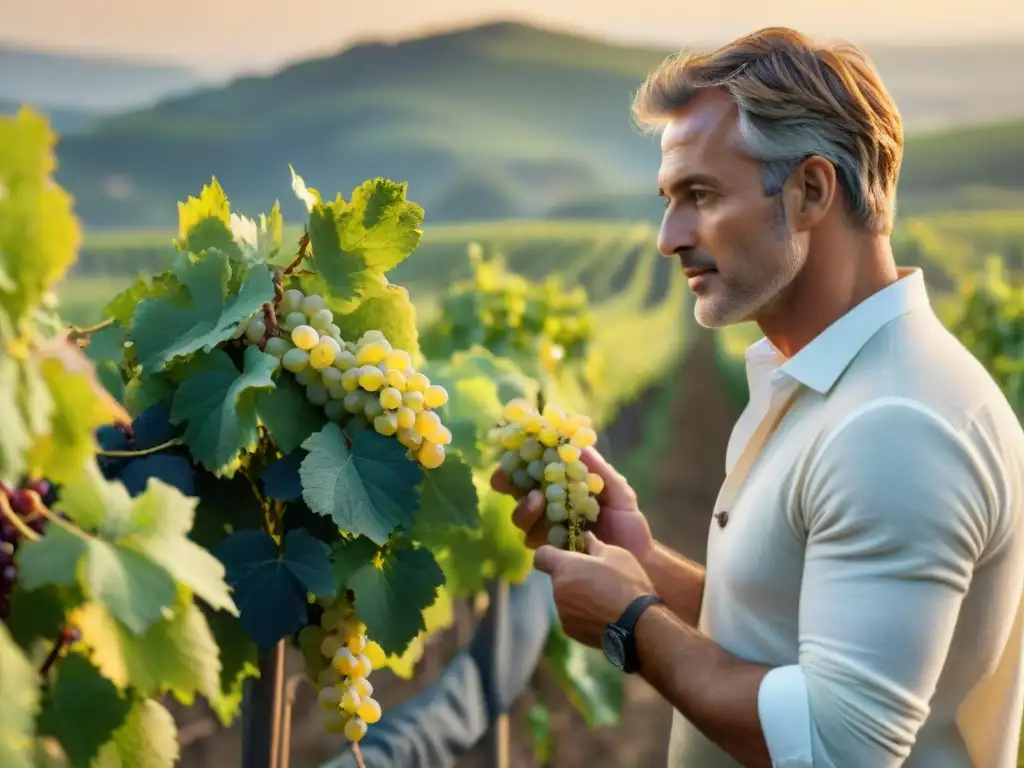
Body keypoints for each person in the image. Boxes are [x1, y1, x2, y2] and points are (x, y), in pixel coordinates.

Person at [490, 26, 1024, 768]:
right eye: (668, 200)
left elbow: (837, 747)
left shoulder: (895, 426)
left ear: (809, 191)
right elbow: (790, 628)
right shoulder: (830, 383)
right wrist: (642, 559)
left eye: (699, 195)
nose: (668, 238)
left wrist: (632, 624)